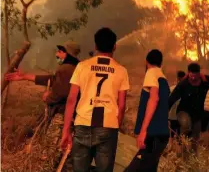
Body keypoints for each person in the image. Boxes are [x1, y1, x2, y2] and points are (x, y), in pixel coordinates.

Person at [60, 28, 130, 172]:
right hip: (108, 127)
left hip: (82, 124)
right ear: (114, 46)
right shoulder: (121, 71)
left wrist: (66, 130)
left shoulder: (82, 66)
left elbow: (71, 99)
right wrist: (116, 126)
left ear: (96, 46)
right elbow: (121, 105)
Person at [125, 49, 170, 172]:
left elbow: (154, 99)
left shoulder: (151, 72)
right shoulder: (164, 79)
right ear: (161, 63)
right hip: (161, 135)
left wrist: (143, 131)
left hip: (152, 134)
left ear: (146, 61)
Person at [168, 63, 209, 154]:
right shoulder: (183, 84)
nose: (193, 78)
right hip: (183, 113)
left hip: (197, 114)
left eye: (195, 76)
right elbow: (172, 99)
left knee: (195, 138)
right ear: (188, 73)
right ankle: (181, 152)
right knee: (185, 129)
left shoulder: (205, 82)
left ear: (199, 74)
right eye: (191, 76)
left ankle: (193, 158)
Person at [5, 40, 80, 109]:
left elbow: (60, 93)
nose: (57, 54)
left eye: (60, 52)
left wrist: (48, 97)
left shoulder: (65, 69)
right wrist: (24, 76)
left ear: (67, 54)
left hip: (66, 111)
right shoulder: (76, 66)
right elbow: (54, 79)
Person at [168, 71, 186, 146]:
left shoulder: (171, 88)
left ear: (177, 78)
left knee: (172, 133)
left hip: (172, 114)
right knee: (180, 132)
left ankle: (171, 145)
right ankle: (178, 149)